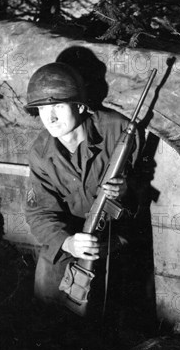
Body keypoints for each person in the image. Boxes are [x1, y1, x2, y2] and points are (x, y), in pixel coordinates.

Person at [24, 61, 142, 330]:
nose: (50, 118)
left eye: (57, 107)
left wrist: (127, 190)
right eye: (42, 109)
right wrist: (67, 244)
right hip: (69, 237)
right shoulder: (40, 153)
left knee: (113, 321)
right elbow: (38, 212)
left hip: (114, 237)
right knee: (46, 312)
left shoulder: (117, 131)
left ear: (79, 105)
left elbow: (143, 195)